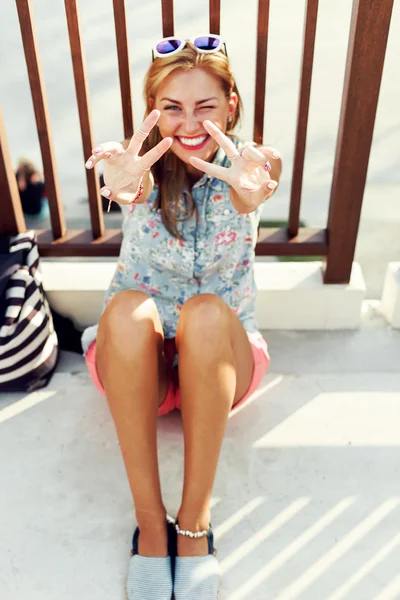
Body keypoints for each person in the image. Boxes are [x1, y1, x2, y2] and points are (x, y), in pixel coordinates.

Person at [81, 35, 282, 600]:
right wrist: (124, 186)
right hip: (135, 364)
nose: (189, 123)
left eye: (206, 106)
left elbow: (253, 189)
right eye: (172, 108)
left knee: (207, 314)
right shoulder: (135, 165)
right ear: (152, 112)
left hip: (220, 365)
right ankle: (151, 524)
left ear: (232, 107)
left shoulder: (252, 163)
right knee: (124, 310)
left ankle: (194, 524)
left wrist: (251, 187)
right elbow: (132, 185)